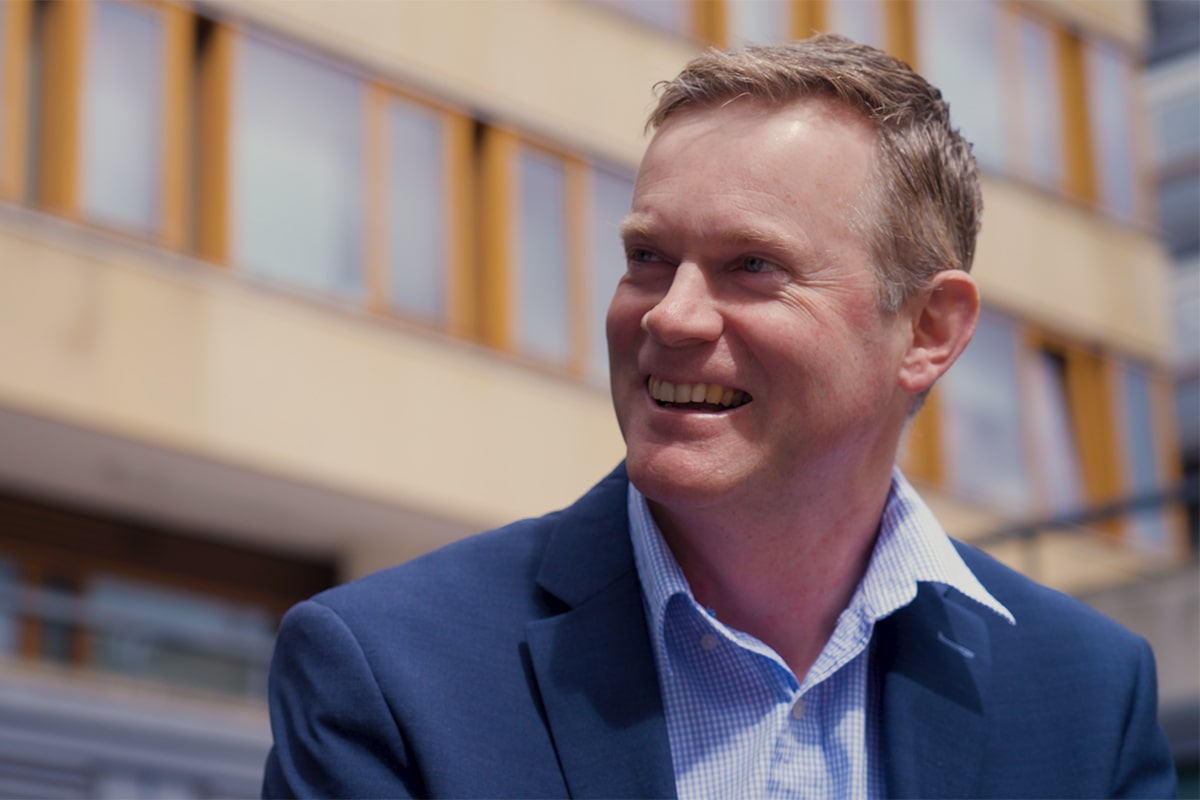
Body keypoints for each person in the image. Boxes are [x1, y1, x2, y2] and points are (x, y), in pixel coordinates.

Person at [262, 35, 1176, 799]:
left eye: (752, 266)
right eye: (648, 258)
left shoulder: (1087, 695)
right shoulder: (389, 671)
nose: (671, 316)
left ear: (928, 330)